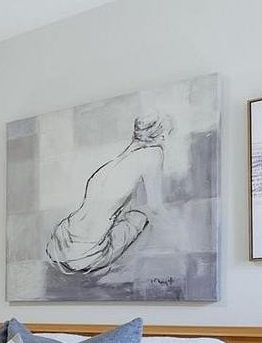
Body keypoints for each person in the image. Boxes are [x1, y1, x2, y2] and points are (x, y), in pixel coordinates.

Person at [44, 113, 170, 276]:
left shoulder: (116, 162)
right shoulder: (154, 154)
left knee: (125, 214)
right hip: (88, 254)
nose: (166, 139)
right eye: (166, 134)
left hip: (60, 240)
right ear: (158, 135)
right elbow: (156, 206)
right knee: (140, 216)